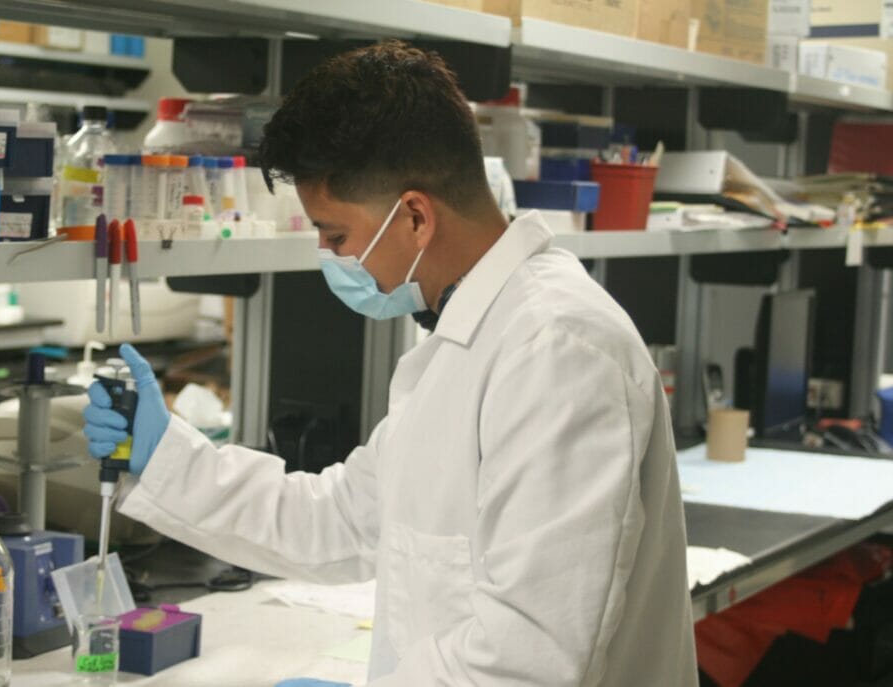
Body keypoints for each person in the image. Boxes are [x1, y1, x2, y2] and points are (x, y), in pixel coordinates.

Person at [85, 41, 697, 686]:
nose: (327, 255)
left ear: (414, 216)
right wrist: (166, 460)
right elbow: (342, 519)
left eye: (337, 235)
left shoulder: (560, 349)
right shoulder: (465, 335)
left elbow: (531, 654)